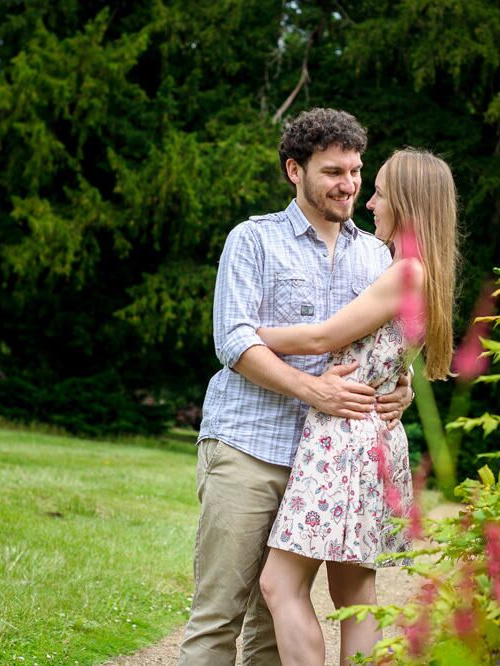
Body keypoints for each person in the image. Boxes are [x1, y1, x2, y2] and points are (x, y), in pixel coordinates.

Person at [179, 108, 414, 666]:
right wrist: (314, 392)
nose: (350, 185)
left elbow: (379, 346)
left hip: (327, 461)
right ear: (294, 171)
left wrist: (399, 389)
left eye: (356, 171)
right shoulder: (253, 240)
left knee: (272, 623)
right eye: (334, 171)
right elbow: (234, 343)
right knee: (219, 613)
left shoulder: (375, 253)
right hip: (249, 447)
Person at [256, 148, 459, 666]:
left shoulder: (404, 273)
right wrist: (402, 383)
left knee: (279, 584)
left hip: (343, 436)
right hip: (374, 439)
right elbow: (393, 355)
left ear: (408, 204)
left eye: (382, 192)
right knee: (354, 598)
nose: (369, 201)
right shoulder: (424, 272)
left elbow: (325, 336)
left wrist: (246, 334)